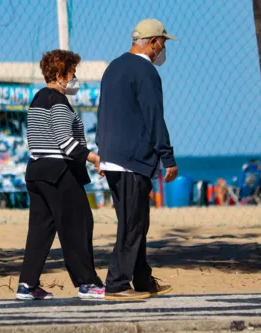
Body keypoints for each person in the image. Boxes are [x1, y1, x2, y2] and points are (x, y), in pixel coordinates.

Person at [95, 18, 178, 300]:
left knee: (136, 220)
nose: (163, 50)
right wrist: (168, 157)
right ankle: (117, 283)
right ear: (152, 42)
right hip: (131, 158)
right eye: (163, 43)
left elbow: (103, 111)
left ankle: (142, 278)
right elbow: (154, 116)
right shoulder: (146, 71)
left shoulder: (114, 67)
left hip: (113, 156)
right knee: (132, 223)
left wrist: (101, 152)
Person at [16, 50, 105, 300]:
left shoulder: (38, 98)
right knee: (79, 224)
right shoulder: (57, 101)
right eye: (72, 73)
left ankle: (27, 284)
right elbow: (65, 142)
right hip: (58, 173)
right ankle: (87, 283)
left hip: (36, 171)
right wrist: (95, 158)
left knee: (40, 231)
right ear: (59, 74)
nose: (75, 77)